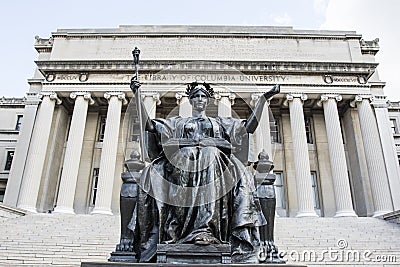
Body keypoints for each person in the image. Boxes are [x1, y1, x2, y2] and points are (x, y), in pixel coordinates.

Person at [129, 80, 280, 263]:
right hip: (182, 164)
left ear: (208, 101)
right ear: (191, 101)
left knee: (209, 154)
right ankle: (181, 229)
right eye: (196, 96)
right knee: (188, 157)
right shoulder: (178, 123)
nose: (200, 99)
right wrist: (137, 95)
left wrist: (263, 99)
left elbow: (248, 127)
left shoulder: (220, 123)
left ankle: (205, 229)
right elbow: (150, 127)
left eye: (203, 96)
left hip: (214, 164)